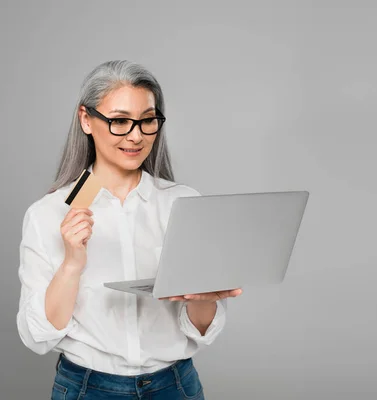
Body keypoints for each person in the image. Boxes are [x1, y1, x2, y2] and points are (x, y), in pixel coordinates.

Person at [16, 60, 243, 399]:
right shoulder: (47, 214)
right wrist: (72, 264)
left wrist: (204, 300)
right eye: (120, 121)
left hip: (175, 386)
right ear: (86, 120)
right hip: (88, 389)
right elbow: (37, 336)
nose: (136, 136)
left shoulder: (183, 203)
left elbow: (200, 330)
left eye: (147, 120)